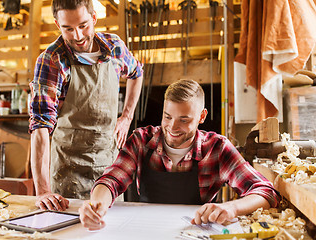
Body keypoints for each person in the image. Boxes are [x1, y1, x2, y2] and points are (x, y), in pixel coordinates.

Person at [78, 79, 280, 230]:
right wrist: (97, 205)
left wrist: (233, 208)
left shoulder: (217, 148)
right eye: (167, 117)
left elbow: (265, 192)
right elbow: (111, 179)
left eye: (184, 120)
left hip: (193, 231)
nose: (172, 127)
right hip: (145, 229)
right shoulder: (141, 140)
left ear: (202, 116)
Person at [29, 0, 143, 211]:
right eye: (68, 29)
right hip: (68, 173)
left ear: (94, 18)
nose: (78, 36)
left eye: (83, 26)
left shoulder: (114, 48)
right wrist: (43, 191)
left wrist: (126, 117)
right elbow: (40, 127)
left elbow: (136, 73)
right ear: (57, 24)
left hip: (110, 171)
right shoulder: (52, 60)